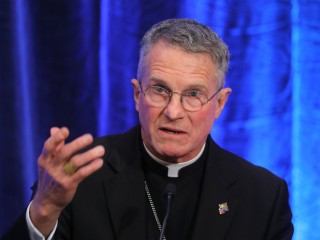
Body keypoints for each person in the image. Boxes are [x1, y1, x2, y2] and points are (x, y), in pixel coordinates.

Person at [2, 18, 293, 240]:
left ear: (219, 103)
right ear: (137, 95)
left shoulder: (263, 196)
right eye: (159, 89)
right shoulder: (78, 177)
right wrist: (43, 210)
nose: (173, 112)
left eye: (193, 94)